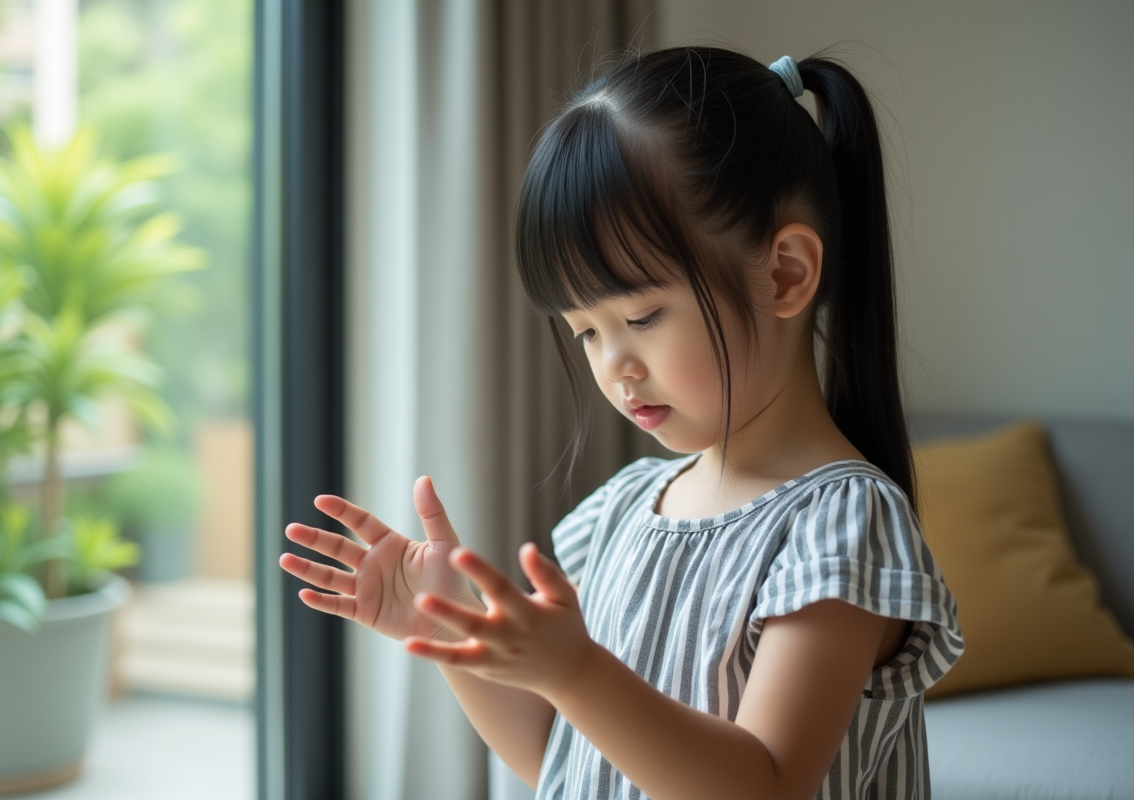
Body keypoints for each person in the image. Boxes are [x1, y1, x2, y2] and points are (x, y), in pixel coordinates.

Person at [279, 46, 964, 800]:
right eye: (587, 332)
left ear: (786, 274)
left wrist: (575, 671)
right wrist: (450, 632)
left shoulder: (839, 524)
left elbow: (766, 786)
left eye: (641, 316)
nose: (615, 366)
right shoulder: (623, 506)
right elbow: (565, 762)